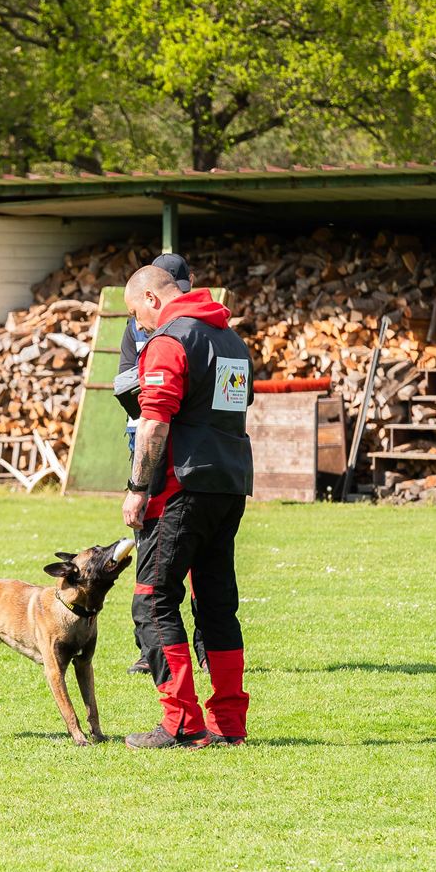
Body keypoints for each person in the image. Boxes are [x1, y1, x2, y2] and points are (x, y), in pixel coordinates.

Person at [120, 264, 254, 749]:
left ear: (152, 299)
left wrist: (138, 487)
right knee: (216, 604)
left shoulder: (171, 340)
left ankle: (181, 722)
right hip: (229, 485)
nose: (140, 326)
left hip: (181, 487)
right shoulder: (232, 341)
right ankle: (229, 724)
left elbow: (155, 423)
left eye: (137, 315)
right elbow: (234, 407)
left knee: (153, 599)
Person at [113, 253, 208, 676]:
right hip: (153, 443)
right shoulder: (137, 325)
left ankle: (202, 649)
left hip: (183, 457)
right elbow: (123, 382)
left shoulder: (189, 331)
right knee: (156, 555)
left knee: (180, 572)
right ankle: (149, 649)